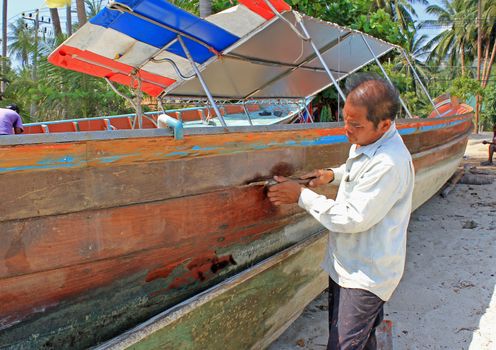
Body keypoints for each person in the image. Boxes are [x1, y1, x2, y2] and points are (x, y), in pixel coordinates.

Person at [267, 75, 414, 350]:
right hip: (347, 265)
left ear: (384, 124)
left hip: (366, 276)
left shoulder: (389, 163)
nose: (347, 129)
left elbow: (351, 217)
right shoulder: (368, 141)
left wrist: (300, 196)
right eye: (345, 119)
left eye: (355, 124)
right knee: (363, 337)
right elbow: (358, 169)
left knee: (343, 344)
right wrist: (331, 175)